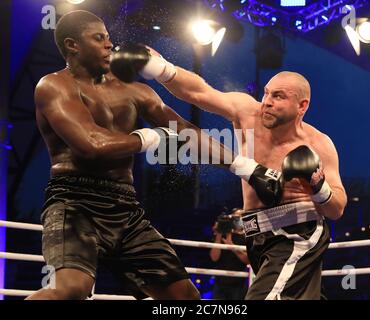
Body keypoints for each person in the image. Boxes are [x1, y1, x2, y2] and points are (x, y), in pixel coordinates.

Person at [27, 10, 281, 300]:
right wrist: (146, 138)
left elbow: (185, 131)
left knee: (185, 297)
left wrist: (247, 167)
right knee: (71, 290)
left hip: (125, 206)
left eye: (109, 38)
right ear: (73, 45)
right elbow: (90, 144)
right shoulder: (54, 86)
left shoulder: (136, 91)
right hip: (74, 203)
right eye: (99, 39)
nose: (109, 45)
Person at [111, 46, 348, 299]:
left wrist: (318, 185)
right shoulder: (249, 113)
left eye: (278, 96)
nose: (267, 101)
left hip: (298, 232)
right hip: (257, 235)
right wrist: (159, 67)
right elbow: (199, 91)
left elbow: (337, 209)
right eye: (267, 93)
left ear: (302, 105)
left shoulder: (319, 144)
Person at [209, 208, 249, 300]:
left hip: (238, 284)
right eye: (236, 217)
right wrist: (219, 233)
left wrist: (231, 246)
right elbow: (214, 258)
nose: (239, 219)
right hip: (220, 282)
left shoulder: (246, 238)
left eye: (241, 217)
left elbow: (248, 260)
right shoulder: (220, 236)